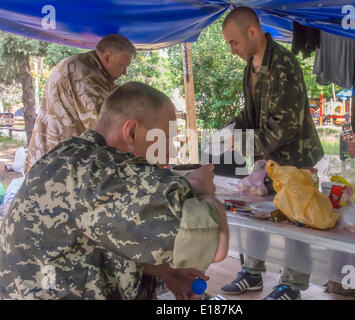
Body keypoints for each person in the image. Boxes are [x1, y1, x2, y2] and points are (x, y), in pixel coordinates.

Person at [0, 82, 229, 300]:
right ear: (132, 132)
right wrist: (204, 191)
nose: (168, 152)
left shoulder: (70, 155)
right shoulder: (104, 173)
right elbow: (216, 246)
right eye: (163, 139)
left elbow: (98, 240)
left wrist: (164, 270)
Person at [220, 7, 324, 300]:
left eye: (234, 42)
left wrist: (241, 144)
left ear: (252, 31)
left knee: (296, 220)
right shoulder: (250, 65)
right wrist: (231, 129)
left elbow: (286, 125)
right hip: (268, 159)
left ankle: (291, 286)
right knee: (255, 211)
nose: (232, 50)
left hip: (295, 158)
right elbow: (251, 113)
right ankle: (252, 273)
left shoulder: (284, 64)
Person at [24, 34, 136, 173]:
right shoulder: (84, 72)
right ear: (107, 57)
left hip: (54, 160)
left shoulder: (93, 71)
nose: (124, 72)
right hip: (55, 165)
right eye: (122, 66)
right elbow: (103, 126)